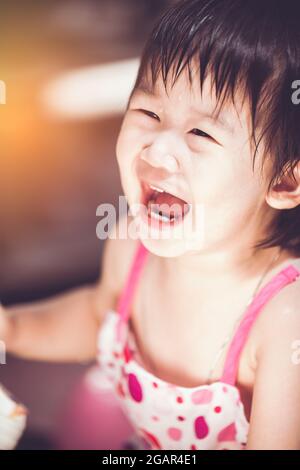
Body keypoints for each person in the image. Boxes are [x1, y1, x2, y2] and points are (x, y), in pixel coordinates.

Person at [1, 0, 300, 450]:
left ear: (284, 179)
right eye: (149, 114)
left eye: (201, 134)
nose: (156, 151)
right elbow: (98, 316)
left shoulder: (283, 320)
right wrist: (13, 328)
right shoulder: (130, 242)